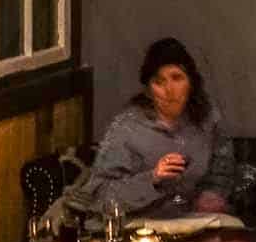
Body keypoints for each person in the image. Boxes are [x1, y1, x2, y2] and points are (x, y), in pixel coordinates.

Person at [75, 38, 238, 218]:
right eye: (159, 82)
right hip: (143, 228)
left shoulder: (206, 119)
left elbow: (222, 168)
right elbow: (99, 196)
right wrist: (152, 178)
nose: (169, 90)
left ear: (191, 83)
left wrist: (212, 195)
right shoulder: (126, 129)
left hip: (195, 222)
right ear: (148, 90)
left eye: (177, 78)